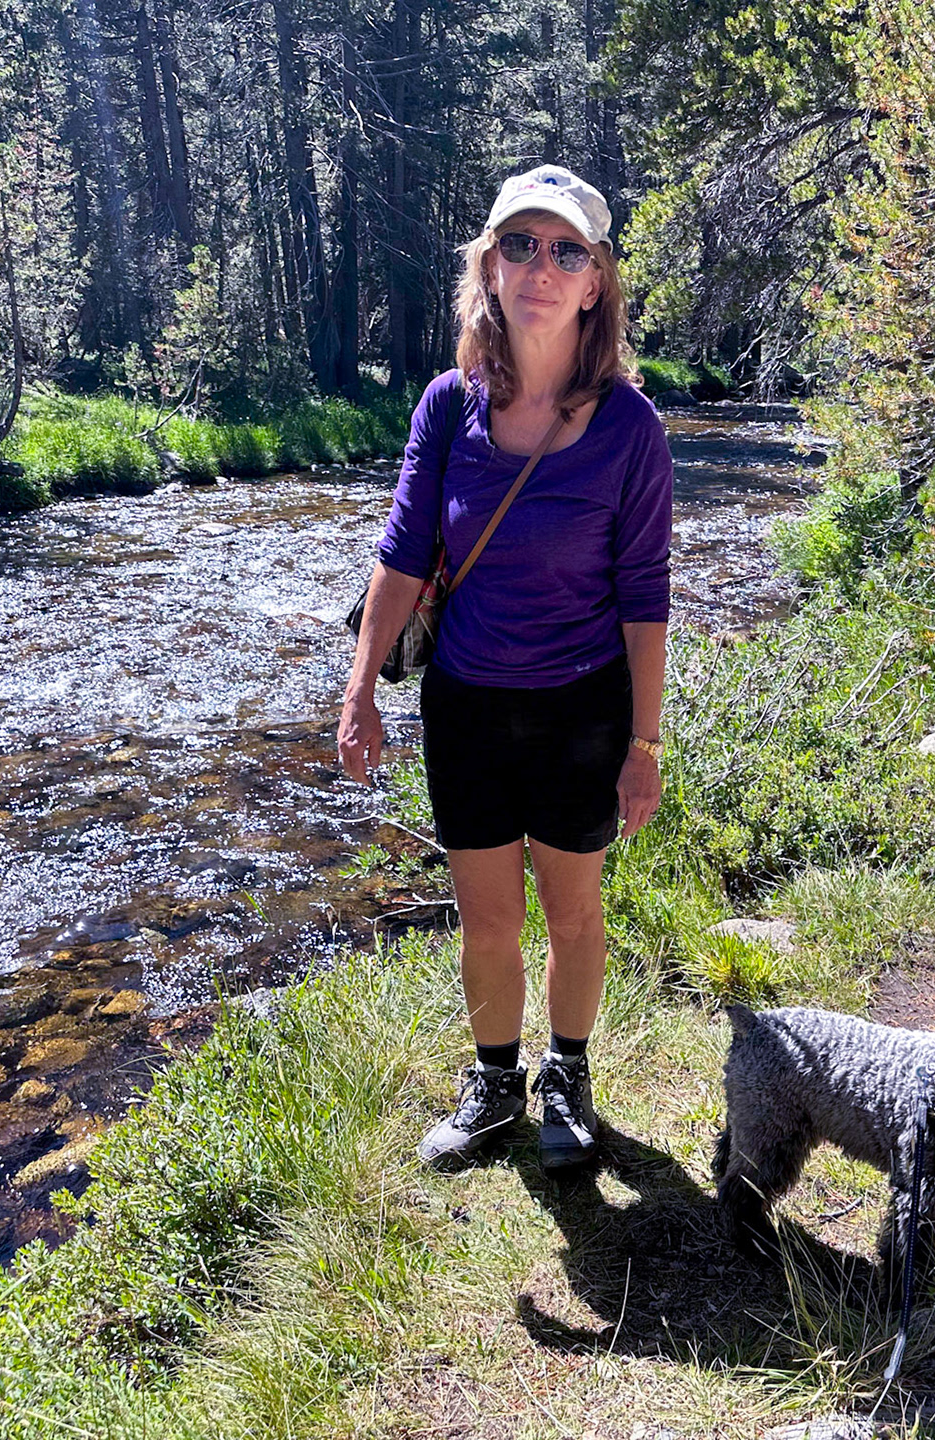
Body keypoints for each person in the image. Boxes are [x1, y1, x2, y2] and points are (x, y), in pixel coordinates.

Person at [338, 166, 673, 1171]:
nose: (541, 266)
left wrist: (645, 743)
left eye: (566, 250)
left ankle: (568, 1076)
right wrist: (360, 693)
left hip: (582, 711)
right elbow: (400, 557)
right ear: (488, 265)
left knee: (573, 915)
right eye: (521, 244)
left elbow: (643, 598)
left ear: (595, 285)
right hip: (469, 708)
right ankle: (494, 1088)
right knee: (486, 919)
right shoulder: (450, 408)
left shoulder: (631, 431)